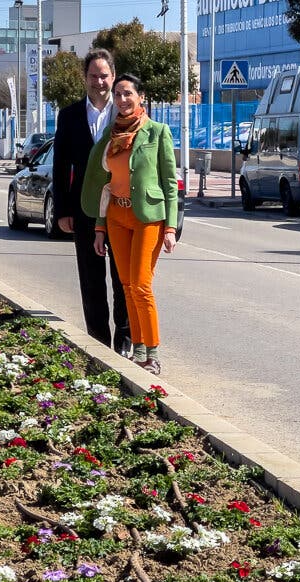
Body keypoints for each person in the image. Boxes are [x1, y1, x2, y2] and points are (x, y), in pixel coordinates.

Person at [80, 73, 178, 376]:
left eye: (128, 94)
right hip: (116, 217)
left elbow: (170, 183)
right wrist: (99, 226)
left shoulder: (157, 132)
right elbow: (104, 184)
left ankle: (153, 353)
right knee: (125, 286)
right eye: (118, 95)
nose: (122, 100)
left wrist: (171, 228)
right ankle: (137, 351)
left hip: (148, 217)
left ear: (141, 97)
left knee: (141, 285)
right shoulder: (110, 137)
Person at [52, 49, 131, 356]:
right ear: (84, 79)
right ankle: (99, 343)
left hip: (122, 209)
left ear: (113, 77)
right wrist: (62, 210)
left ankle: (124, 344)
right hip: (85, 210)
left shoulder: (128, 112)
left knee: (123, 278)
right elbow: (61, 167)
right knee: (91, 279)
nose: (99, 82)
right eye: (94, 76)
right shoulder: (70, 116)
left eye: (105, 75)